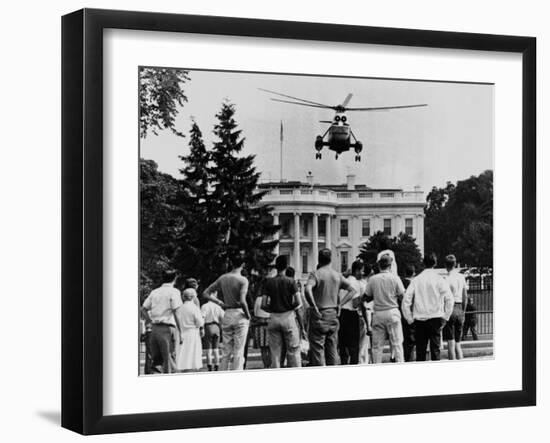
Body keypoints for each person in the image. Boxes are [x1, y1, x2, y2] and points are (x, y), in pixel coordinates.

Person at [305, 249, 356, 366]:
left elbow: (307, 289)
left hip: (320, 314)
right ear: (330, 259)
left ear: (318, 258)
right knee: (332, 349)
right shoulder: (337, 275)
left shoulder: (316, 274)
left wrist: (314, 306)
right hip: (333, 313)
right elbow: (352, 290)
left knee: (318, 350)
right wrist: (340, 304)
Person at [203, 253, 251, 371]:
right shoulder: (243, 280)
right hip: (239, 314)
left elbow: (205, 293)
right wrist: (248, 315)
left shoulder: (223, 278)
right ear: (243, 264)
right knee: (239, 350)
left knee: (226, 351)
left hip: (227, 313)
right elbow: (243, 301)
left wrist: (220, 303)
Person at [401, 253, 454, 361]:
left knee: (420, 352)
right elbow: (449, 299)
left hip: (420, 320)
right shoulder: (439, 279)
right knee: (435, 351)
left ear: (423, 263)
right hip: (436, 318)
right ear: (435, 263)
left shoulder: (416, 280)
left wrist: (410, 319)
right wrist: (445, 317)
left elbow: (406, 301)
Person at [261, 255, 302, 368]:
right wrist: (290, 306)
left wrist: (272, 309)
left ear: (276, 267)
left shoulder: (269, 282)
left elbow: (263, 304)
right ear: (286, 266)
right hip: (287, 316)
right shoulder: (291, 282)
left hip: (274, 317)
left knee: (275, 353)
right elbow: (298, 301)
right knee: (293, 350)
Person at [364, 255, 406, 363]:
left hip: (378, 312)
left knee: (377, 347)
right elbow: (403, 297)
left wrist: (377, 294)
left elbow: (366, 298)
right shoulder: (395, 278)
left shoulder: (373, 279)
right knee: (397, 345)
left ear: (379, 265)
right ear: (390, 265)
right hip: (392, 311)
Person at [140, 270, 184, 374]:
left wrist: (149, 321)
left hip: (154, 329)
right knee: (169, 359)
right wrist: (181, 331)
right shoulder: (174, 292)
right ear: (175, 279)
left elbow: (143, 309)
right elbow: (176, 311)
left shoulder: (154, 292)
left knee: (156, 363)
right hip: (168, 328)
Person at [338, 260, 365, 365]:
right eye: (361, 271)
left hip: (342, 314)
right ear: (357, 271)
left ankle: (343, 363)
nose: (362, 274)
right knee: (354, 346)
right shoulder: (356, 283)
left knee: (343, 344)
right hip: (351, 315)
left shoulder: (344, 281)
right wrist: (363, 299)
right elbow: (355, 303)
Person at [442, 254, 468, 360]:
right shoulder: (461, 277)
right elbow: (465, 296)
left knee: (450, 344)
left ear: (445, 265)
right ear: (456, 264)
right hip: (459, 307)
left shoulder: (444, 278)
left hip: (450, 308)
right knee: (458, 343)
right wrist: (464, 311)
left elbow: (443, 297)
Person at [175, 288, 204, 372]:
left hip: (182, 331)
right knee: (192, 353)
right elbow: (200, 322)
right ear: (193, 297)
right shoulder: (194, 308)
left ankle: (183, 368)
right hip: (192, 332)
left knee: (183, 352)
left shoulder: (179, 308)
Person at [200, 294, 225, 371]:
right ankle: (217, 365)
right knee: (216, 349)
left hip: (208, 327)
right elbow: (223, 317)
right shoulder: (218, 307)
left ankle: (210, 366)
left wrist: (201, 328)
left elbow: (202, 317)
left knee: (208, 349)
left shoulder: (204, 306)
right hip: (216, 327)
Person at [399, 264, 416, 362]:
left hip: (400, 314)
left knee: (403, 341)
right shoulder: (414, 284)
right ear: (413, 273)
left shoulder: (400, 283)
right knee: (411, 342)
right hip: (411, 314)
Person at [252, 291, 272, 368]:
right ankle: (270, 365)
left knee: (263, 349)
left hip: (259, 325)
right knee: (270, 348)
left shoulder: (258, 299)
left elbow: (255, 312)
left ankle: (265, 366)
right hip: (270, 323)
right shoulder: (272, 298)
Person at [358, 264, 373, 364]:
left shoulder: (358, 283)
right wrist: (368, 325)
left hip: (358, 315)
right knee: (363, 344)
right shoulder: (365, 286)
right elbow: (364, 306)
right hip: (364, 315)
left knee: (361, 344)